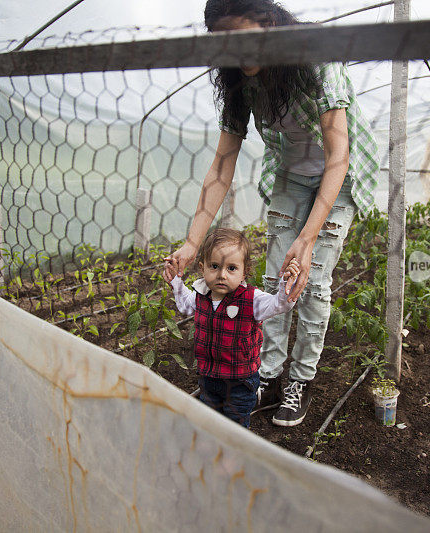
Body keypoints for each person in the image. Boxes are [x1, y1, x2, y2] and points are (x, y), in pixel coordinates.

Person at [166, 0, 379, 427]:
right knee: (273, 281)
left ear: (268, 25)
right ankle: (266, 371)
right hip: (289, 175)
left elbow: (338, 152)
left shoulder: (314, 55)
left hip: (340, 175)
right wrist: (193, 241)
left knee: (312, 281)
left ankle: (299, 380)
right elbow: (224, 161)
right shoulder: (239, 83)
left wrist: (309, 236)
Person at [163, 228, 300, 428]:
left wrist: (286, 284)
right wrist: (176, 280)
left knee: (236, 425)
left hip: (240, 381)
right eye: (215, 266)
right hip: (209, 377)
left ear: (245, 272)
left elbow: (280, 305)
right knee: (209, 422)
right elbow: (184, 304)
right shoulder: (201, 294)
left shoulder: (252, 300)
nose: (222, 275)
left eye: (231, 268)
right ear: (203, 268)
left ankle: (233, 456)